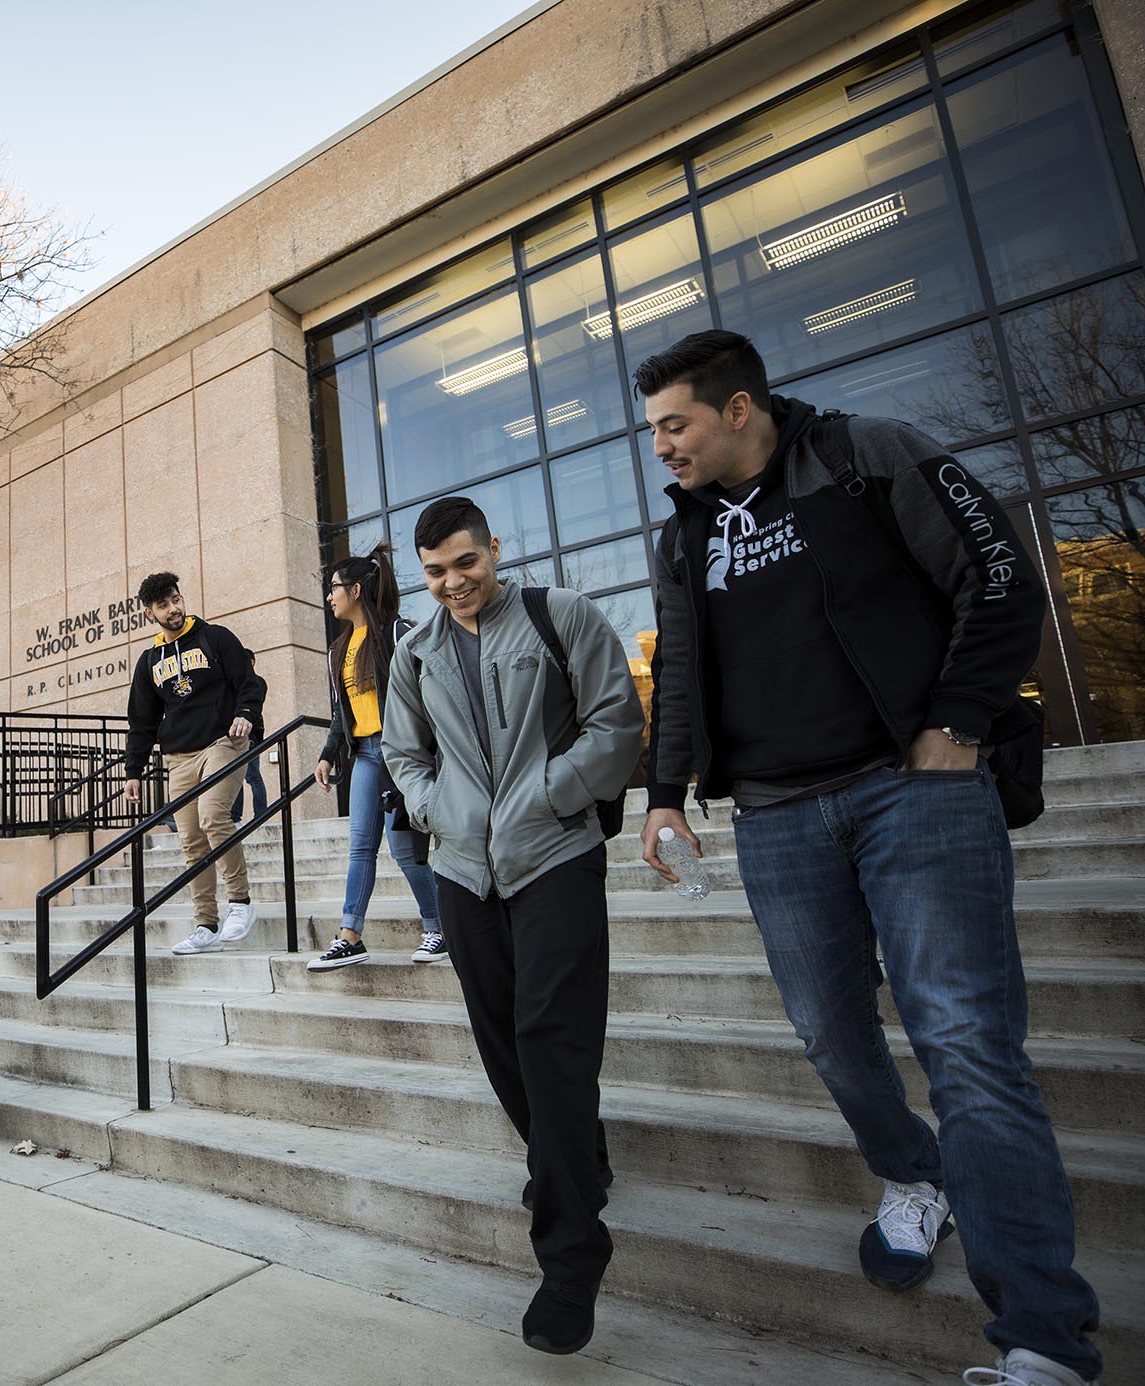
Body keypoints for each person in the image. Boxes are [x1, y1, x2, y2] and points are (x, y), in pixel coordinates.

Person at [634, 329, 1099, 1386]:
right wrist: (663, 795)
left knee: (967, 1046)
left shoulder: (867, 454)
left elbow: (999, 580)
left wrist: (953, 723)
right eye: (654, 429)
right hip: (776, 817)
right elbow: (674, 679)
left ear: (737, 408)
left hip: (911, 791)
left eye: (674, 424)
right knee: (828, 1035)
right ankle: (910, 1173)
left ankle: (1040, 1340)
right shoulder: (679, 539)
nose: (660, 447)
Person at [381, 497, 643, 1356]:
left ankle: (572, 1257)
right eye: (436, 573)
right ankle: (573, 1157)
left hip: (556, 856)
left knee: (551, 1037)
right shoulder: (413, 651)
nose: (453, 584)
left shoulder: (559, 616)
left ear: (495, 548)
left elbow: (616, 723)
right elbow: (403, 751)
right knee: (501, 1038)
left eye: (466, 562)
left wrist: (551, 796)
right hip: (462, 868)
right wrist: (437, 812)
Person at [307, 545, 444, 969]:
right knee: (360, 848)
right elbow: (340, 713)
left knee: (406, 851)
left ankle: (439, 928)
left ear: (357, 589)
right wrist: (329, 753)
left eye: (334, 588)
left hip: (401, 754)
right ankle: (351, 935)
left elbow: (430, 699)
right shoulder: (339, 649)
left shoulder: (397, 634)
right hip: (365, 756)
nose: (330, 597)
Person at [123, 571, 267, 956]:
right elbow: (141, 721)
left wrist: (247, 713)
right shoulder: (149, 661)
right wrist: (133, 771)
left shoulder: (215, 638)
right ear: (149, 613)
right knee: (190, 840)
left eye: (176, 600)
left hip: (223, 742)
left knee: (212, 814)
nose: (173, 609)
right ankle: (206, 923)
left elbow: (251, 684)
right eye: (163, 605)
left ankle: (241, 903)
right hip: (179, 758)